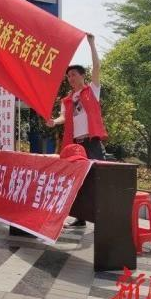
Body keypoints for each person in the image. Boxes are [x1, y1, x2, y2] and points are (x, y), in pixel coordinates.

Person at [46, 33, 108, 227]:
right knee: (77, 180)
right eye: (68, 76)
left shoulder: (92, 90)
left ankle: (105, 218)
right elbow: (64, 117)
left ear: (82, 76)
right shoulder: (67, 99)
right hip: (76, 146)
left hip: (92, 142)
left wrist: (91, 44)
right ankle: (80, 218)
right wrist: (54, 122)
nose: (70, 78)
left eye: (74, 75)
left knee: (99, 179)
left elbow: (97, 67)